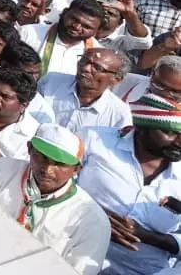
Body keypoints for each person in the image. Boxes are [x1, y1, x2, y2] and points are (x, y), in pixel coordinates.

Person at [77, 95, 181, 275]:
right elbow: (51, 183)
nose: (179, 142)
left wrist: (151, 238)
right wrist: (96, 217)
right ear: (140, 127)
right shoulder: (93, 139)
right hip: (74, 254)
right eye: (170, 132)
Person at [0, 124, 110, 275]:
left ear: (77, 169)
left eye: (59, 164)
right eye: (42, 157)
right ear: (29, 148)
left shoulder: (92, 220)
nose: (47, 170)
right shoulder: (3, 170)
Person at [38, 48, 133, 134]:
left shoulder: (119, 113)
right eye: (83, 61)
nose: (85, 68)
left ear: (116, 79)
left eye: (98, 68)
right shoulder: (51, 81)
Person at [19, 0, 104, 77]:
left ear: (96, 30)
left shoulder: (98, 52)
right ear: (64, 12)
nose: (77, 27)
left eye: (86, 26)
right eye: (74, 19)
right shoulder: (29, 32)